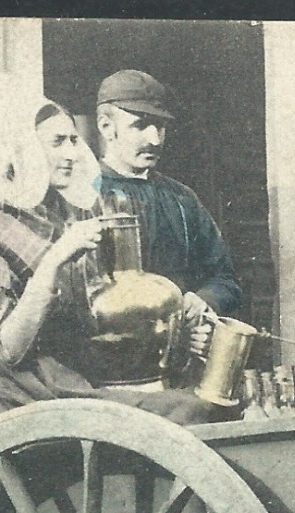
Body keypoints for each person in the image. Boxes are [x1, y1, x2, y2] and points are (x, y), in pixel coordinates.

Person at [0, 99, 212, 426]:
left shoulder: (69, 216)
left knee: (192, 406)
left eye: (73, 140)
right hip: (14, 391)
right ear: (22, 149)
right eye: (57, 142)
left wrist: (180, 327)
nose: (71, 153)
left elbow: (100, 320)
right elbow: (8, 349)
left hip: (72, 378)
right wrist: (56, 257)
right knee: (181, 414)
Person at [93, 69, 245, 364]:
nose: (154, 139)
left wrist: (204, 301)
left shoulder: (181, 199)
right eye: (141, 125)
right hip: (108, 365)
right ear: (106, 126)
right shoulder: (83, 198)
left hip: (179, 359)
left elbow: (226, 280)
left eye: (160, 127)